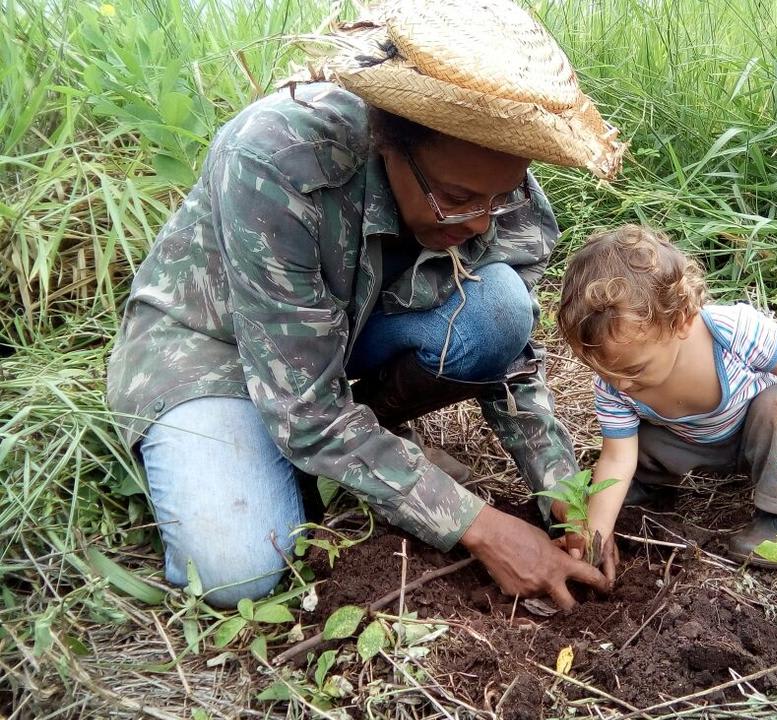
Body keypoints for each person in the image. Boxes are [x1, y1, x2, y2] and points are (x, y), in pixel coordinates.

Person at [106, 0, 625, 609]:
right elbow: (305, 407)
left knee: (501, 311)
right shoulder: (276, 160)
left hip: (343, 337)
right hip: (213, 346)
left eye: (498, 197)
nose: (480, 220)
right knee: (235, 571)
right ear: (388, 140)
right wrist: (479, 527)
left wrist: (561, 485)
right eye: (457, 198)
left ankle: (345, 461)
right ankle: (303, 462)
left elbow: (511, 357)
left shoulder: (491, 183)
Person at [555, 225, 777, 580]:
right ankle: (645, 492)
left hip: (752, 432)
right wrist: (595, 536)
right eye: (604, 371)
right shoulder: (615, 380)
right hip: (686, 443)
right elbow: (618, 455)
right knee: (636, 445)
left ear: (680, 320)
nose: (620, 383)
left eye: (633, 369)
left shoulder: (732, 331)